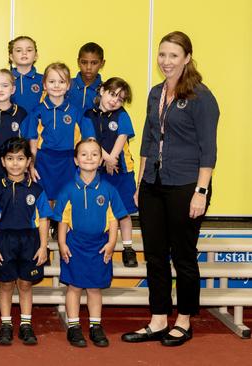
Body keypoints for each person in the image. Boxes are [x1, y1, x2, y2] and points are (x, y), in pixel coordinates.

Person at [122, 31, 219, 347]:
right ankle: (158, 318)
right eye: (162, 54)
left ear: (187, 58)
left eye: (173, 55)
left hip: (187, 185)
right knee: (154, 256)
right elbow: (149, 139)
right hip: (153, 183)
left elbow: (208, 150)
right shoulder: (154, 93)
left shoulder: (201, 97)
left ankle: (185, 319)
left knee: (184, 257)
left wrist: (201, 192)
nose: (166, 61)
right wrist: (140, 183)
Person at [54, 138, 127, 348]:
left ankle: (95, 326)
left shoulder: (109, 189)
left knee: (95, 289)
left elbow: (114, 219)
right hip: (74, 244)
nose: (89, 158)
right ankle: (74, 327)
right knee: (74, 287)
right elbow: (63, 220)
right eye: (84, 154)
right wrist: (62, 243)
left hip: (99, 246)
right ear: (76, 160)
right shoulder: (68, 189)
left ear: (101, 159)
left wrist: (112, 242)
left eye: (95, 154)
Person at [0, 137, 51, 346]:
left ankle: (26, 324)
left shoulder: (37, 190)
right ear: (2, 162)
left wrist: (43, 247)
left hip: (30, 240)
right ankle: (6, 325)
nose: (15, 163)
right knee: (6, 285)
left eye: (20, 158)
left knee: (25, 284)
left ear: (28, 161)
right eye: (10, 158)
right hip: (4, 240)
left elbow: (43, 219)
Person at [31, 63, 95, 236]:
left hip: (68, 160)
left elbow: (88, 139)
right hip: (44, 159)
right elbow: (32, 140)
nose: (56, 86)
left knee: (65, 195)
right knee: (46, 195)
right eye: (52, 81)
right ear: (44, 84)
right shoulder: (37, 111)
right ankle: (47, 226)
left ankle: (61, 227)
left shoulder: (76, 111)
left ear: (68, 85)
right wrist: (31, 165)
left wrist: (85, 162)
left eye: (61, 82)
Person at [83, 77, 139, 267]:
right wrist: (106, 159)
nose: (115, 100)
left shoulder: (122, 115)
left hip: (121, 171)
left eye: (120, 98)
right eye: (112, 94)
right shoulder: (88, 115)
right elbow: (91, 139)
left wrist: (113, 158)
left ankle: (128, 248)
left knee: (123, 212)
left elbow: (122, 137)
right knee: (99, 210)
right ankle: (98, 246)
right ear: (102, 91)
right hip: (97, 170)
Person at [8, 36, 44, 114]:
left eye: (29, 50)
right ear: (11, 57)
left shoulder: (45, 80)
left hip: (38, 125)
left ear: (36, 56)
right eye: (18, 50)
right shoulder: (5, 80)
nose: (24, 53)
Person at [68, 42, 105, 114]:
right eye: (84, 62)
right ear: (78, 62)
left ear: (102, 63)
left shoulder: (106, 91)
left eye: (94, 63)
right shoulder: (66, 86)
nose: (88, 67)